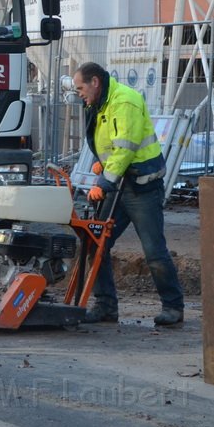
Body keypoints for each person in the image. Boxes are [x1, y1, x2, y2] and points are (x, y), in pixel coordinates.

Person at [71, 62, 185, 326]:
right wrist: (104, 162)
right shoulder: (101, 102)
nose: (78, 93)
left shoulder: (124, 102)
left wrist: (103, 182)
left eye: (80, 87)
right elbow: (114, 145)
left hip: (141, 187)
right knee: (95, 243)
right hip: (120, 181)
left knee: (154, 251)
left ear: (95, 82)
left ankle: (173, 307)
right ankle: (106, 306)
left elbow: (126, 147)